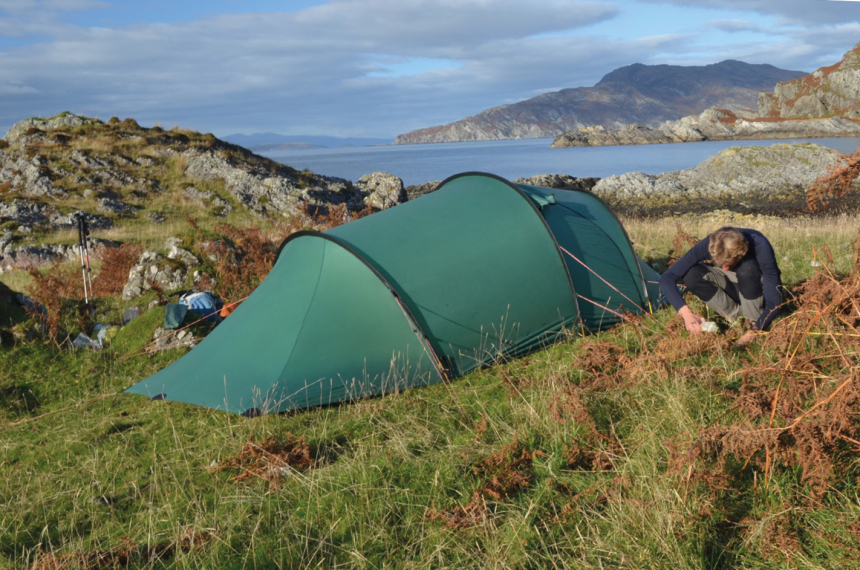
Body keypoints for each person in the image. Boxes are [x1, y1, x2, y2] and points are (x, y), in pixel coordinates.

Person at [658, 227, 782, 346]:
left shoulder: (760, 246)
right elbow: (667, 278)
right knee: (692, 275)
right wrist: (688, 315)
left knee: (746, 268)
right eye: (720, 263)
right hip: (733, 285)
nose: (725, 268)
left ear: (742, 252)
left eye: (728, 263)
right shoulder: (712, 244)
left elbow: (774, 303)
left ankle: (752, 321)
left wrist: (752, 333)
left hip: (756, 289)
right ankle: (736, 319)